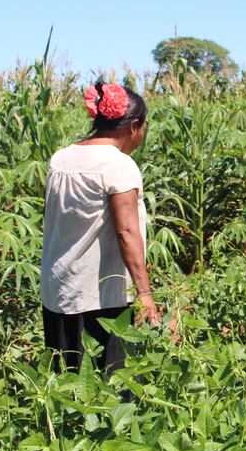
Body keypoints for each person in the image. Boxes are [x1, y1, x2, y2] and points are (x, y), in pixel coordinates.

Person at [39, 81, 159, 376]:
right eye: (143, 128)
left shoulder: (61, 158)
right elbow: (126, 232)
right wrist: (144, 292)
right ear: (133, 126)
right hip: (102, 297)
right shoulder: (117, 165)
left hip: (59, 291)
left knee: (66, 381)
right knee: (111, 386)